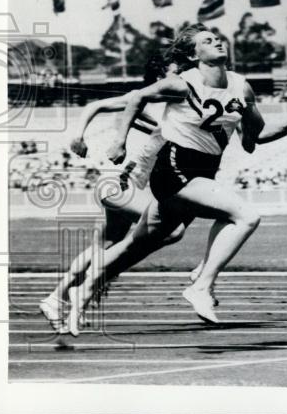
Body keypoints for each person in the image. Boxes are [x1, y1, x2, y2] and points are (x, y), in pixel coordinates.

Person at [68, 25, 287, 330]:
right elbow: (136, 98)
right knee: (245, 216)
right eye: (207, 41)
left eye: (217, 38)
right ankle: (201, 285)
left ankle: (77, 293)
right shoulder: (182, 84)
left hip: (204, 171)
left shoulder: (241, 87)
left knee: (135, 246)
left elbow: (254, 139)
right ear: (193, 54)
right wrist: (120, 141)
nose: (217, 41)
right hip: (175, 168)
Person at [38, 55, 185, 334]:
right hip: (120, 183)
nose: (182, 78)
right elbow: (96, 104)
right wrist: (78, 136)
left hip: (125, 184)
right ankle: (96, 281)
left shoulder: (175, 106)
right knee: (172, 229)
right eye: (176, 72)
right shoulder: (142, 99)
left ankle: (55, 298)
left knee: (102, 246)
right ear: (160, 75)